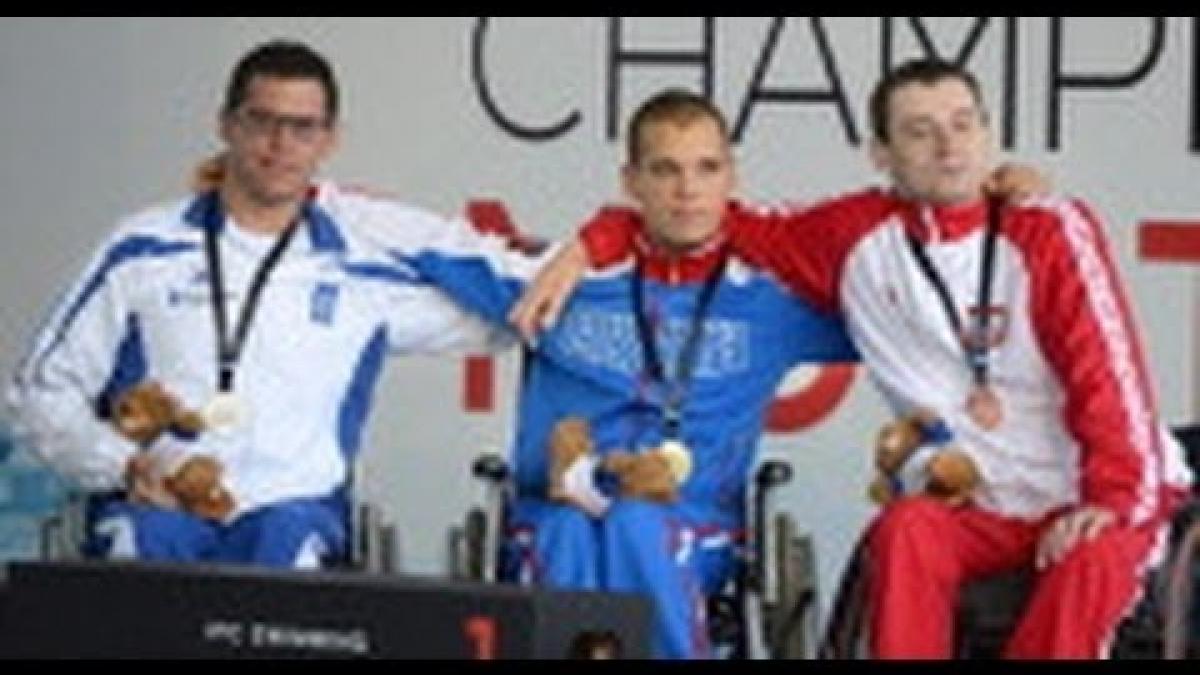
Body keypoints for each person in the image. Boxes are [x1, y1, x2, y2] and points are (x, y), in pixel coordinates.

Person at [524, 59, 1194, 659]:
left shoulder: (1049, 226)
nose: (949, 145)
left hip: (1096, 491)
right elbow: (701, 217)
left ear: (987, 136)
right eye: (921, 131)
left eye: (964, 124)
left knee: (1088, 561)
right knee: (905, 529)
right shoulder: (852, 237)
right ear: (882, 152)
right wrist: (587, 246)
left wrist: (1110, 499)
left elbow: (1109, 376)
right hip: (983, 505)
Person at [5, 40, 526, 569]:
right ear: (226, 125)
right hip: (157, 506)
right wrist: (123, 466)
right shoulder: (142, 248)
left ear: (330, 141)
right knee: (141, 547)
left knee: (288, 549)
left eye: (303, 128)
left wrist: (573, 271)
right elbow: (40, 392)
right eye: (262, 122)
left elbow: (511, 317)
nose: (280, 146)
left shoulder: (361, 271)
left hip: (294, 515)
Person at [406, 90, 861, 659]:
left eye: (706, 168)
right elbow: (422, 247)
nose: (688, 189)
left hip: (696, 519)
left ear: (731, 177)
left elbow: (910, 311)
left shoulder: (769, 298)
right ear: (631, 182)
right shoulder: (564, 279)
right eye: (665, 170)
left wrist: (1005, 215)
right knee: (568, 530)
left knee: (636, 523)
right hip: (556, 510)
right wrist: (315, 203)